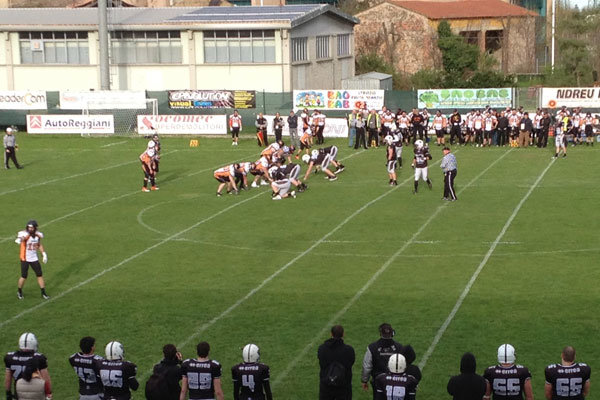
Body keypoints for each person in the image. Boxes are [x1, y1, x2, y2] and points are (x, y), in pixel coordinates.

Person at [360, 323, 403, 399]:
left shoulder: (372, 347)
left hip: (378, 382)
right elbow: (404, 365)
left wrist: (364, 381)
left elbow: (367, 366)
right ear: (392, 333)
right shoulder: (399, 347)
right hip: (395, 381)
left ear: (380, 333)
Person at [4, 333, 51, 400]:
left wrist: (8, 393)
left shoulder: (10, 357)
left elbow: (8, 379)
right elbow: (46, 379)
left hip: (19, 391)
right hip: (37, 391)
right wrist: (49, 393)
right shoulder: (39, 358)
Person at [317, 325, 355, 400]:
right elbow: (351, 363)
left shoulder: (322, 348)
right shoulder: (349, 350)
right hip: (343, 385)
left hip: (326, 384)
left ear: (331, 334)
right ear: (343, 334)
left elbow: (321, 362)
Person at [15, 220, 49, 300]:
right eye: (29, 227)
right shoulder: (25, 234)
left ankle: (43, 293)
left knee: (39, 274)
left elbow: (38, 244)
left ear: (35, 228)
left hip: (34, 258)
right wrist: (20, 239)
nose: (30, 229)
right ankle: (19, 291)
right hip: (25, 258)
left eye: (32, 227)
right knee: (24, 276)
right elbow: (23, 237)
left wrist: (44, 254)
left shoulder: (37, 235)